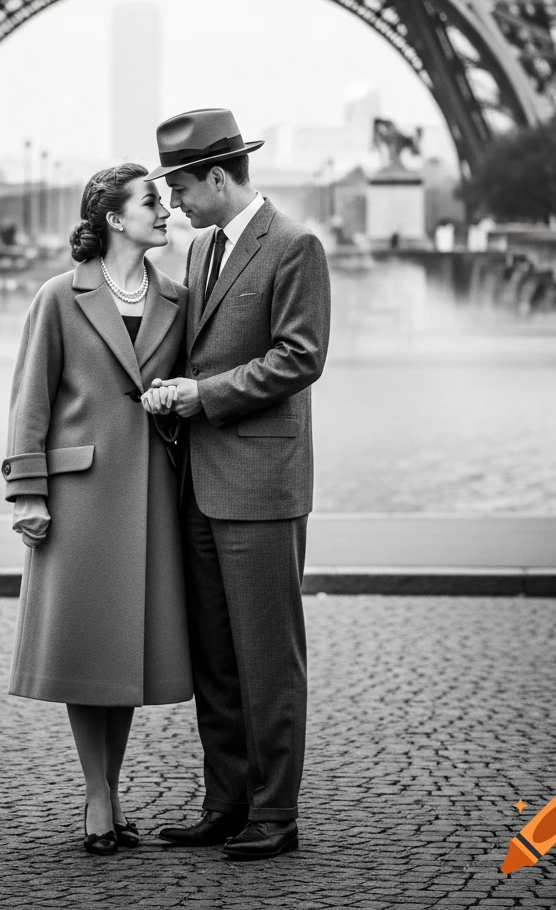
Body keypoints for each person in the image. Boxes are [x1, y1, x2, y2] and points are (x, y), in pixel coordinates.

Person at [142, 108, 332, 861]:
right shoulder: (200, 251)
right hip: (201, 482)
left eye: (183, 188)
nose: (176, 205)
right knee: (216, 658)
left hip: (260, 483)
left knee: (268, 658)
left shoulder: (294, 245)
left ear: (219, 177)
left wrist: (202, 394)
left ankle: (276, 815)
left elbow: (301, 357)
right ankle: (226, 803)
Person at [2, 163, 192, 856]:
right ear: (115, 216)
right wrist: (26, 489)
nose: (165, 211)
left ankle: (109, 793)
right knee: (90, 650)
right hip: (81, 497)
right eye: (152, 202)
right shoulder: (59, 295)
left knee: (126, 654)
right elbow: (31, 401)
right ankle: (97, 795)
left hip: (152, 495)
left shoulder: (177, 297)